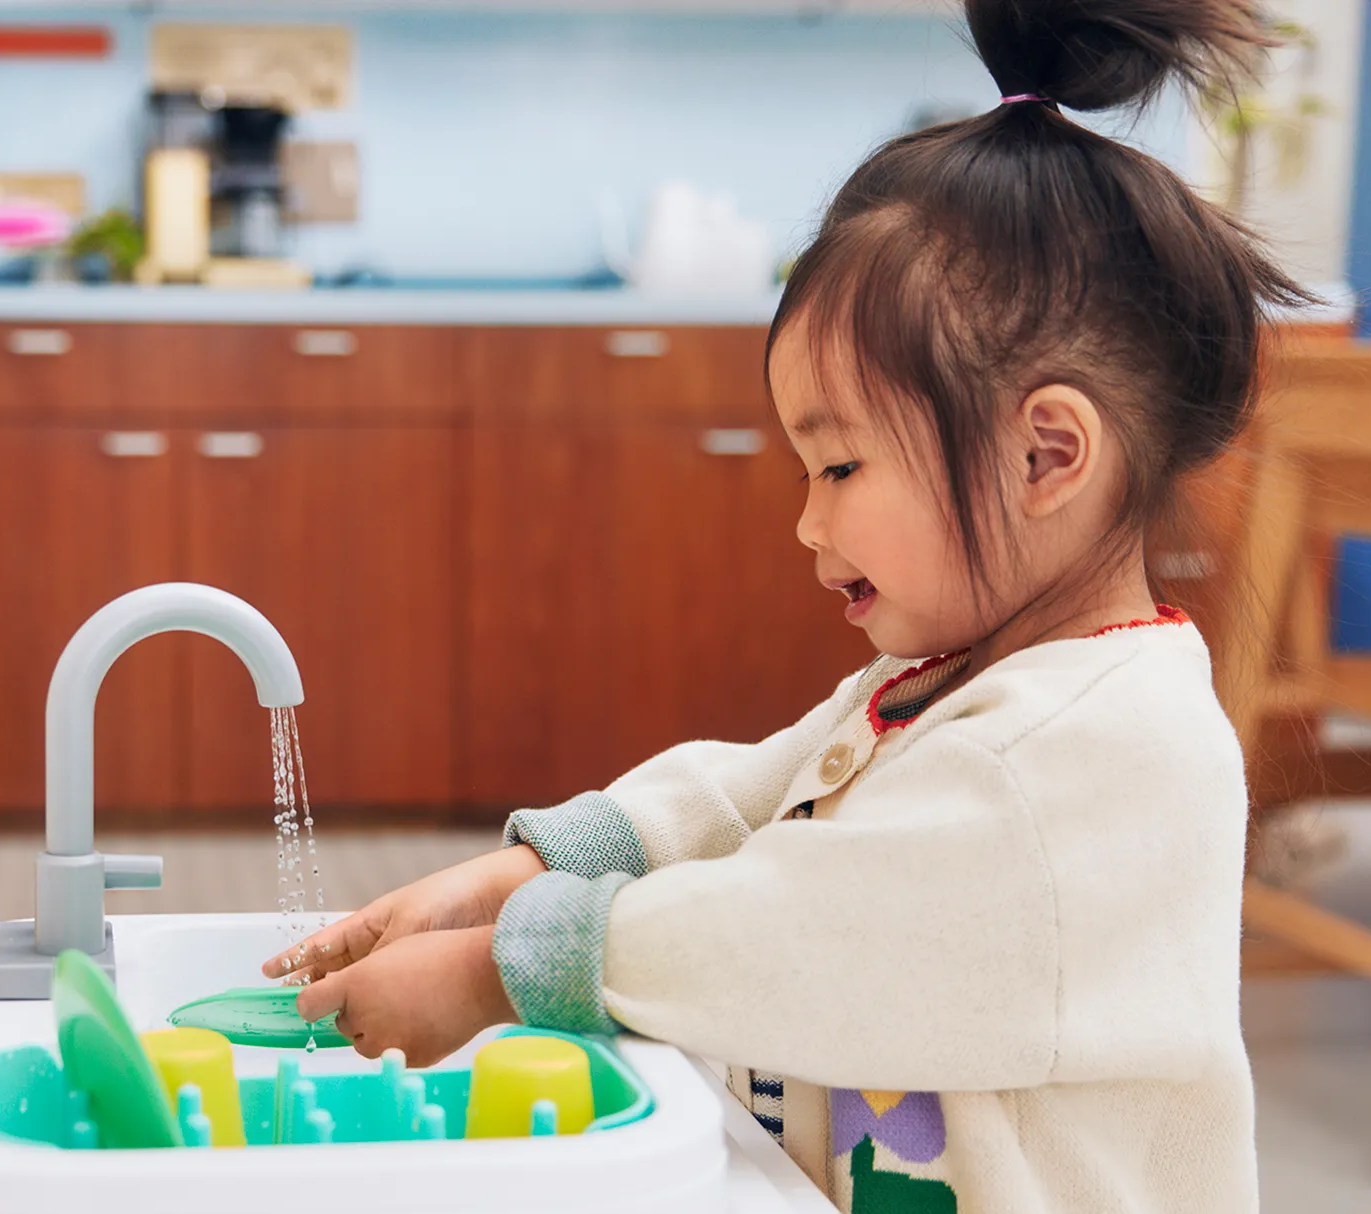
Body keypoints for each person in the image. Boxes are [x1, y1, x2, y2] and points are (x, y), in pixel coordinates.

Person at [264, 1, 1311, 1209]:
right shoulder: (959, 677)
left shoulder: (1100, 750)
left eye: (841, 467)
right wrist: (520, 875)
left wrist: (503, 969)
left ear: (1044, 456)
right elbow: (752, 788)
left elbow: (804, 934)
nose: (807, 524)